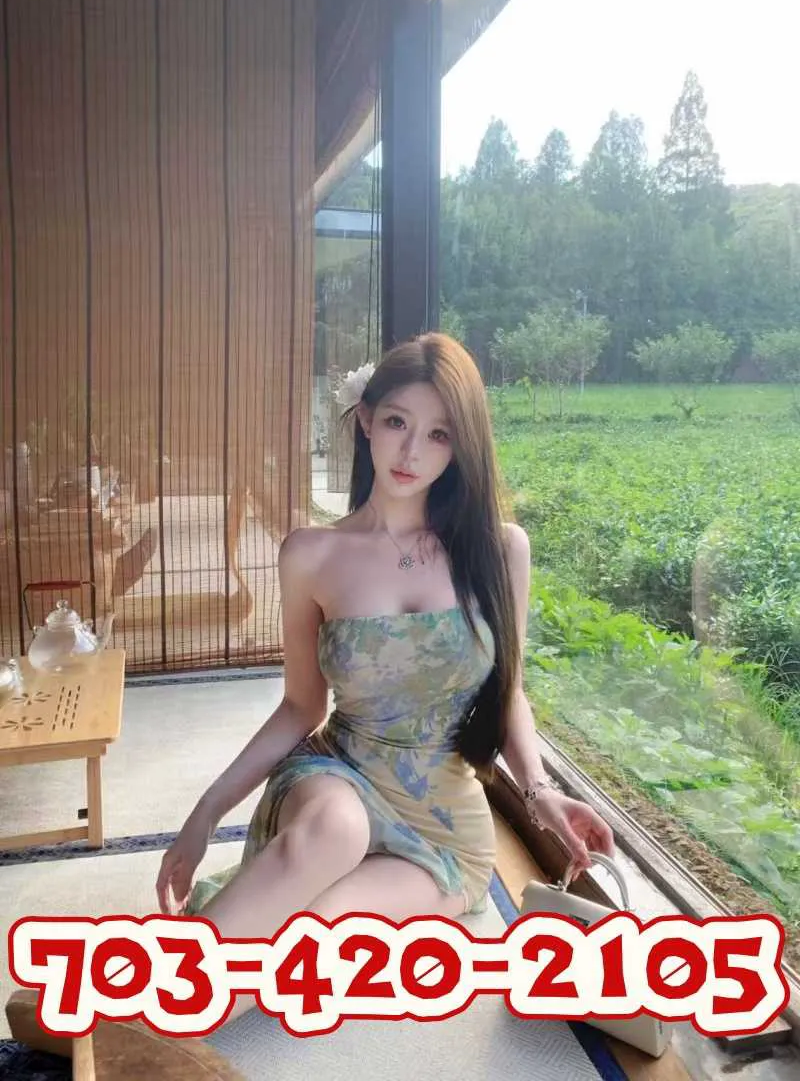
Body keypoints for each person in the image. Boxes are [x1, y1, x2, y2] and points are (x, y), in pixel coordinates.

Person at [156, 332, 614, 985]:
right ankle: (156, 999)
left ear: (461, 446)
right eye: (398, 422)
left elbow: (509, 690)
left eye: (439, 434)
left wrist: (541, 792)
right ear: (366, 419)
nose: (411, 452)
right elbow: (300, 708)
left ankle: (155, 1003)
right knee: (334, 833)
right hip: (336, 775)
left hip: (443, 827)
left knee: (313, 941)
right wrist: (206, 813)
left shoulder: (500, 549)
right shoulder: (311, 554)